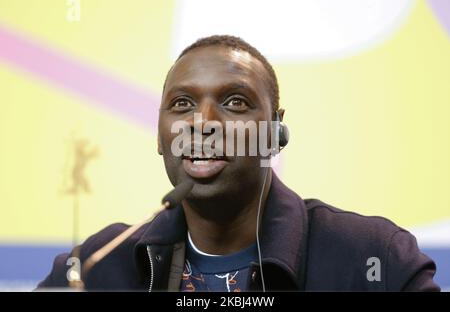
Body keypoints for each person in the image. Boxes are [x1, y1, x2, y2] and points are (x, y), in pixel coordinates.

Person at [38, 35, 440, 291]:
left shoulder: (374, 261)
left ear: (275, 134)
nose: (204, 123)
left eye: (235, 102)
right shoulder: (96, 267)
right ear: (160, 137)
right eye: (182, 104)